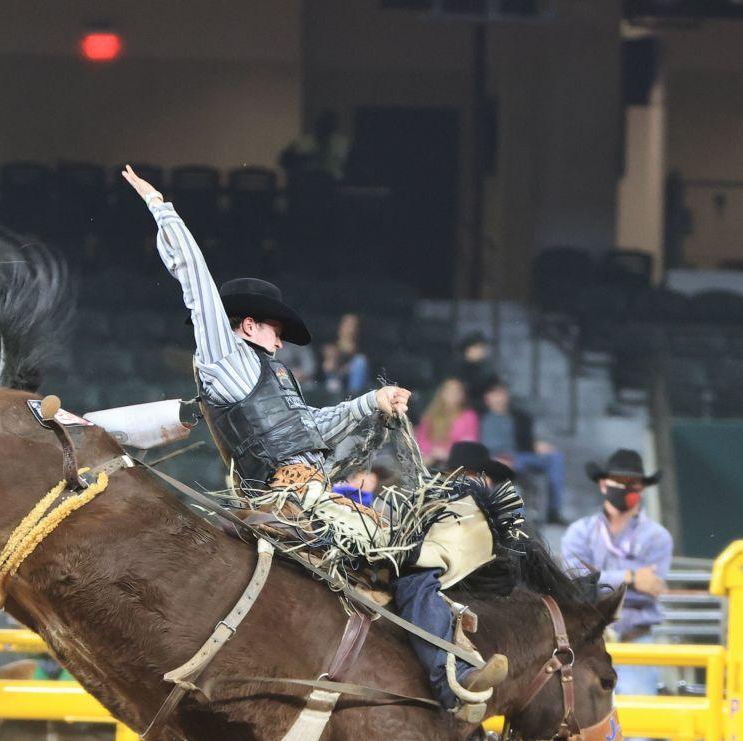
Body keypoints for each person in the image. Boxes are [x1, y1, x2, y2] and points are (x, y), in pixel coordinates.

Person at [123, 163, 508, 712]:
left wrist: (371, 403)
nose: (282, 338)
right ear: (247, 325)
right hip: (294, 500)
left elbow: (310, 428)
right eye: (274, 326)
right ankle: (448, 684)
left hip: (307, 494)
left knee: (410, 554)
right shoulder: (226, 360)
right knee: (417, 557)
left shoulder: (270, 374)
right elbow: (198, 287)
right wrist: (163, 209)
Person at [561, 449, 673, 741]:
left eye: (634, 483)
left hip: (636, 639)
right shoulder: (580, 532)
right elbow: (575, 583)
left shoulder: (657, 537)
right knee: (579, 731)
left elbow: (649, 589)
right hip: (589, 643)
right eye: (620, 481)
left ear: (642, 489)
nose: (627, 488)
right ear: (603, 485)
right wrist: (631, 577)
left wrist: (600, 581)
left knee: (638, 739)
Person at [477, 381, 565, 524]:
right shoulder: (481, 418)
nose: (499, 398)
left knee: (555, 457)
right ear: (487, 397)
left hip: (519, 456)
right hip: (492, 459)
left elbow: (526, 442)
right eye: (495, 394)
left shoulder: (518, 417)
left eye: (502, 393)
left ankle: (554, 510)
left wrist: (536, 446)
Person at [414, 378, 478, 463]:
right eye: (449, 390)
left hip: (456, 462)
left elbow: (469, 445)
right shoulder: (430, 415)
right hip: (430, 460)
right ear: (442, 393)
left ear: (462, 394)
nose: (453, 393)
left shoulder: (469, 416)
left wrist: (447, 453)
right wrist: (433, 451)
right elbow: (421, 440)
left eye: (457, 390)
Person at [454, 333, 497, 398]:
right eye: (478, 347)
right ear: (467, 350)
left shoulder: (484, 368)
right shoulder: (460, 370)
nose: (482, 351)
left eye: (483, 347)